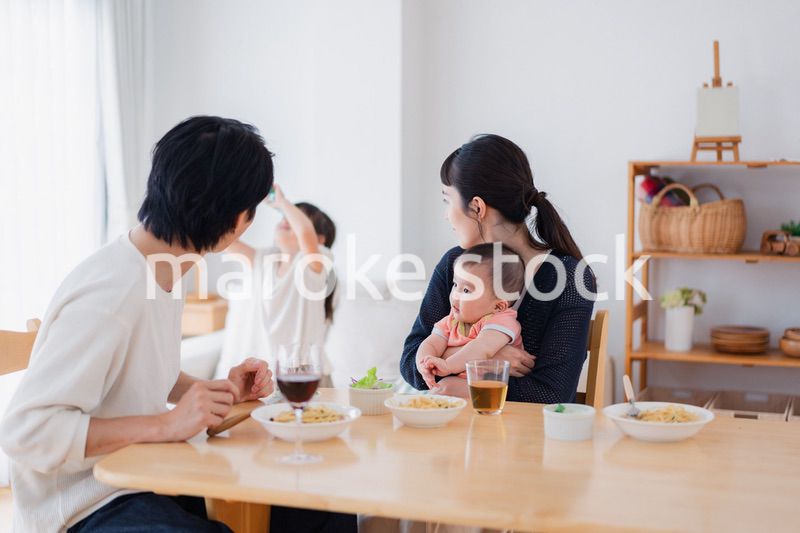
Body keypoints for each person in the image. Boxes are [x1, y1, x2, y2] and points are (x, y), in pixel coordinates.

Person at [0, 116, 277, 532]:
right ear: (236, 220)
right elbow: (27, 432)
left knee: (306, 512)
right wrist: (167, 423)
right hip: (82, 504)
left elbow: (136, 370)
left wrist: (209, 392)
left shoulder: (167, 266)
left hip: (143, 474)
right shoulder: (110, 293)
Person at [400, 134, 596, 403]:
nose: (446, 214)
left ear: (477, 206)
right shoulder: (453, 265)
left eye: (447, 200)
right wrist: (486, 358)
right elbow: (410, 362)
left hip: (528, 440)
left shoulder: (568, 277)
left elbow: (553, 393)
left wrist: (467, 373)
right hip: (452, 432)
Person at [218, 185, 337, 386]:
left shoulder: (317, 264)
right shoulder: (265, 260)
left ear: (320, 241)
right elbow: (222, 238)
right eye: (283, 217)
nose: (286, 220)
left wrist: (282, 202)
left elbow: (305, 232)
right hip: (271, 376)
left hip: (307, 376)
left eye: (294, 218)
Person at [415, 243, 525, 391]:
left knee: (445, 388)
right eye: (455, 285)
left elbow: (482, 348)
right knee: (442, 388)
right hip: (466, 380)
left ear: (498, 306)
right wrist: (424, 364)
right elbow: (431, 344)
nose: (455, 294)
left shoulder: (502, 321)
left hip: (493, 385)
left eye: (466, 290)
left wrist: (448, 366)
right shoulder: (452, 320)